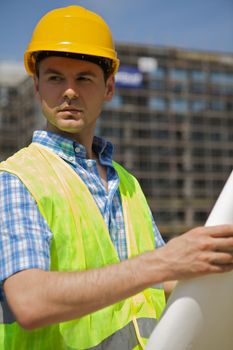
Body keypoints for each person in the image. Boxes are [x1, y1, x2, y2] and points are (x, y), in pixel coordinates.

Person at [0, 5, 233, 350]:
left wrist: (206, 260)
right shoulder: (16, 179)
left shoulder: (127, 183)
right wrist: (165, 260)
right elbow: (30, 302)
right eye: (54, 78)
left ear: (109, 88)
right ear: (36, 86)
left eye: (84, 78)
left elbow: (162, 279)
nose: (68, 91)